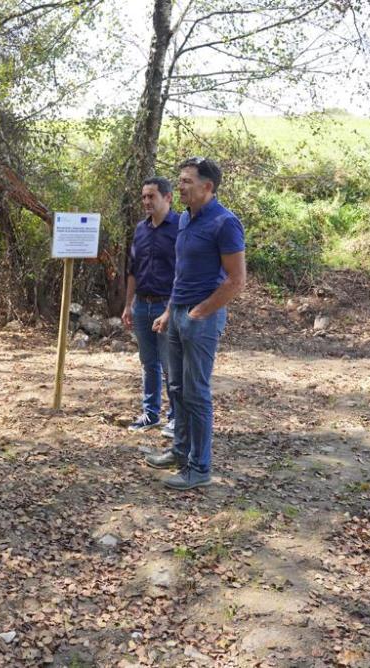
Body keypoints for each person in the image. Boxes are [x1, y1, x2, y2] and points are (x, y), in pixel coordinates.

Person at [145, 158, 246, 490]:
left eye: (187, 181)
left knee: (196, 392)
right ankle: (181, 451)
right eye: (180, 180)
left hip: (201, 317)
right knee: (176, 389)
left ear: (208, 186)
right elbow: (182, 275)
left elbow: (236, 280)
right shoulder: (186, 219)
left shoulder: (225, 223)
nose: (181, 186)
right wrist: (169, 311)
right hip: (176, 313)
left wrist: (201, 312)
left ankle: (199, 467)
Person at [122, 177, 179, 437]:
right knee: (148, 363)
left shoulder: (181, 227)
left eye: (151, 196)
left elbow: (184, 271)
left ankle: (177, 417)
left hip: (168, 305)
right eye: (144, 196)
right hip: (141, 305)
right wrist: (127, 305)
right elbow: (132, 270)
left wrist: (172, 308)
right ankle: (150, 413)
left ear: (167, 197)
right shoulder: (140, 229)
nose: (146, 201)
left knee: (171, 364)